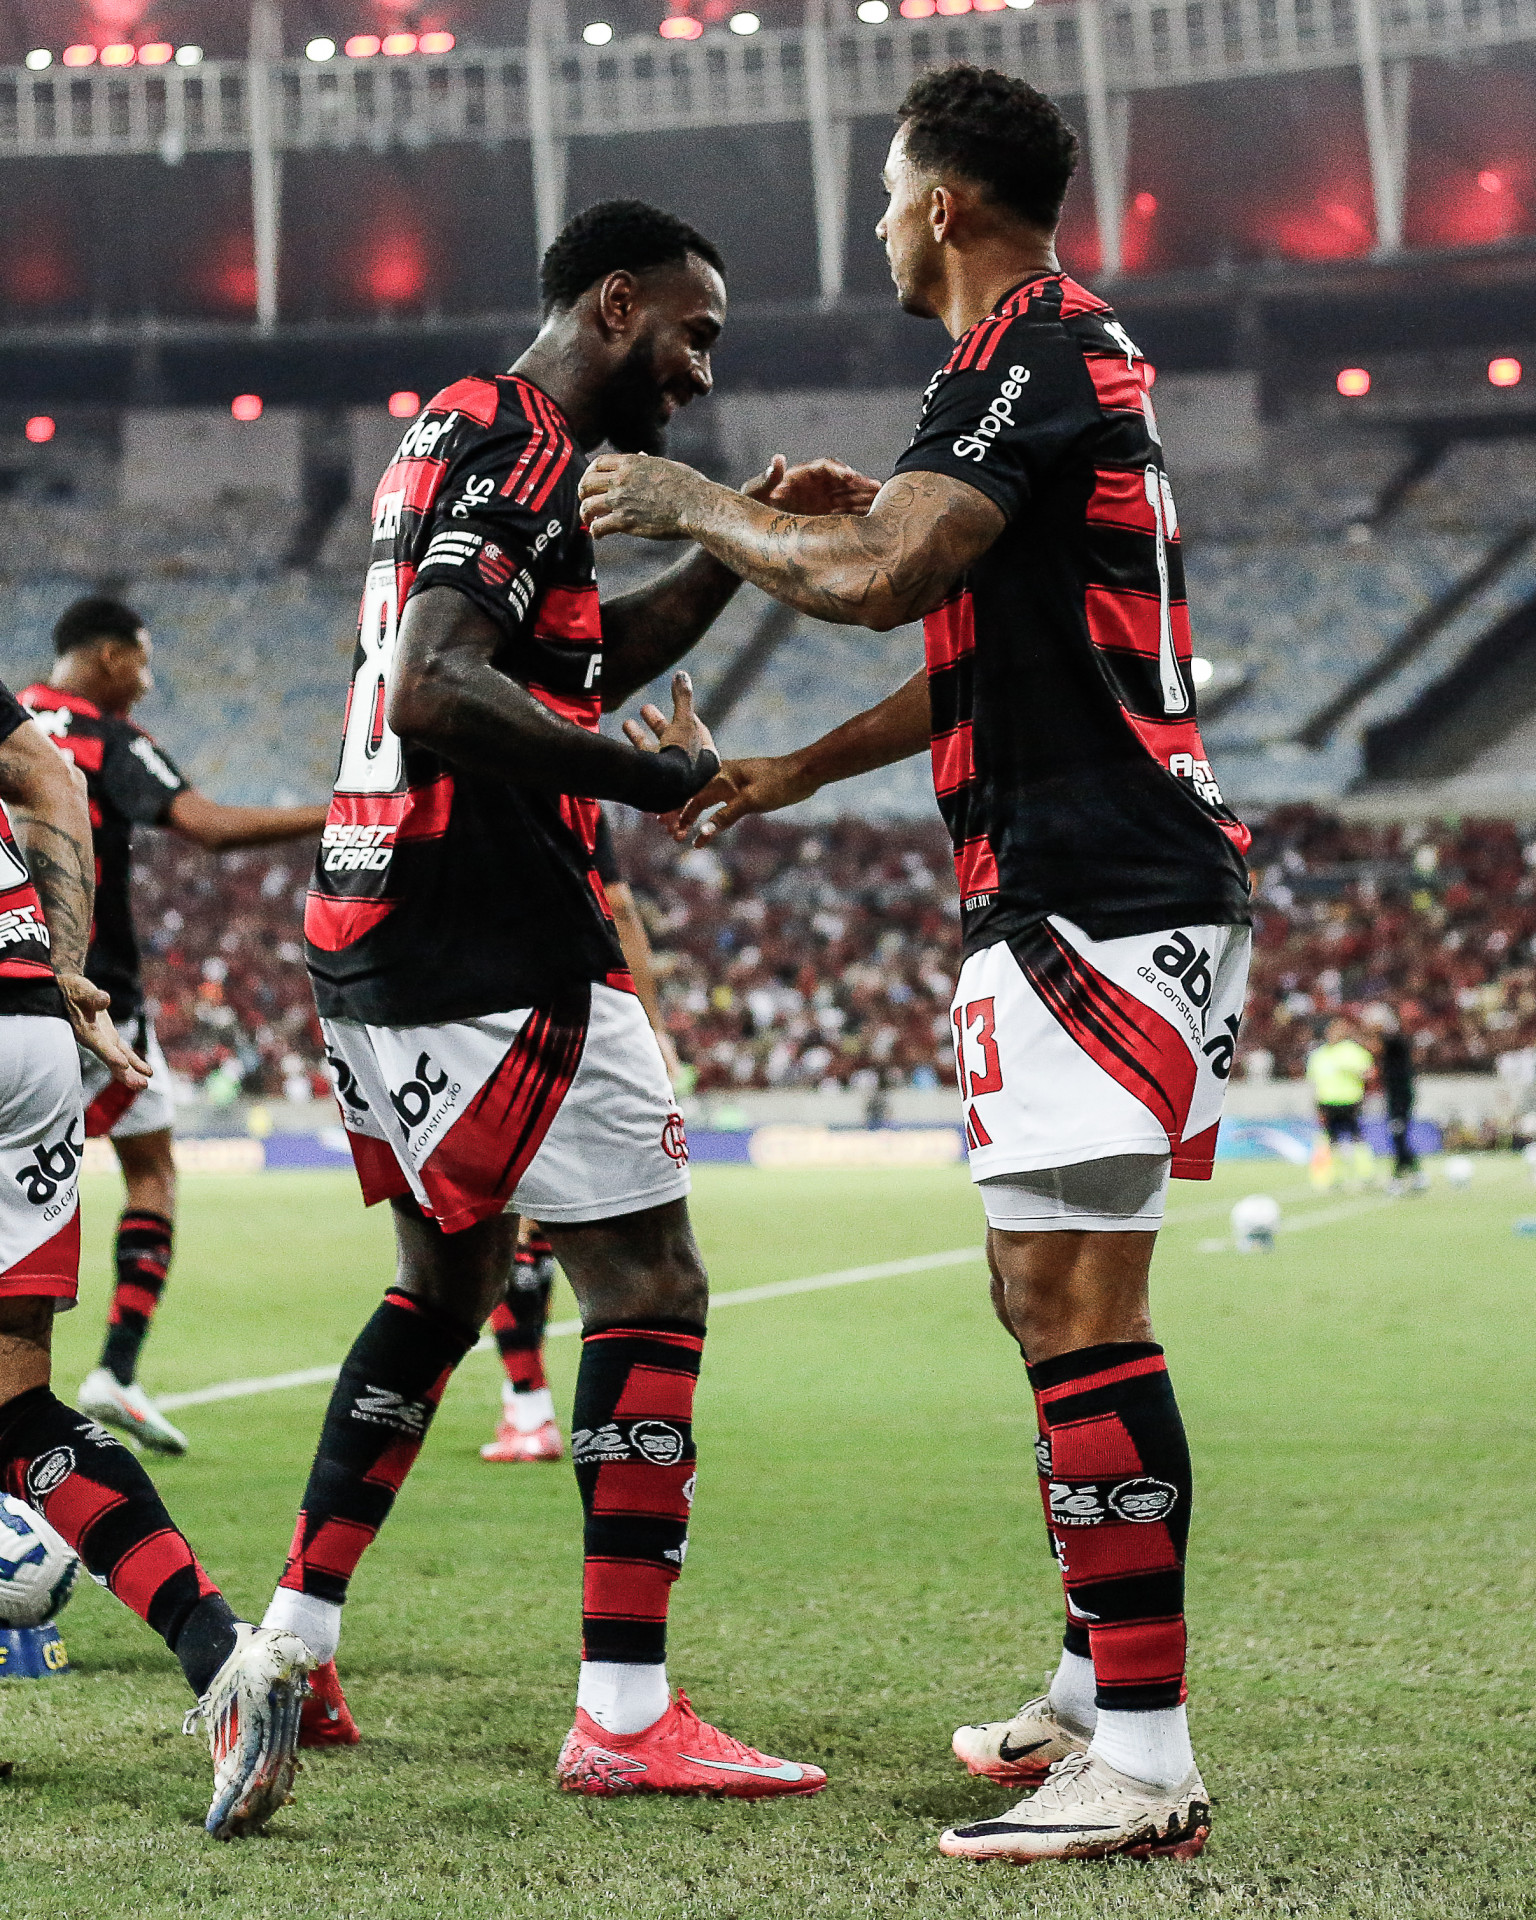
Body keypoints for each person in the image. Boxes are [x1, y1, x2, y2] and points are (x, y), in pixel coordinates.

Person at [578, 70, 1253, 1863]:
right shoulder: (1017, 367)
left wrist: (695, 502)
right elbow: (964, 628)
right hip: (1070, 884)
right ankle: (1097, 1686)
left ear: (944, 204)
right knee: (1037, 1301)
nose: (877, 224)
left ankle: (1150, 1758)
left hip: (1094, 887)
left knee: (1080, 1309)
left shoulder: (1031, 347)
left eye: (889, 195)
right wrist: (792, 770)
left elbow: (884, 575)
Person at [265, 199, 874, 1790]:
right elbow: (439, 688)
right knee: (650, 1286)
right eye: (694, 335)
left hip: (369, 923)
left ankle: (293, 1648)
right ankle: (621, 1717)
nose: (698, 374)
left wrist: (735, 537)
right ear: (618, 303)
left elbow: (566, 664)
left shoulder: (455, 437)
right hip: (496, 936)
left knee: (446, 1294)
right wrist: (646, 780)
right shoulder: (528, 454)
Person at [0, 678, 310, 1836]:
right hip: (31, 1021)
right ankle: (224, 1660)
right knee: (17, 1408)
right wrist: (68, 964)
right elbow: (50, 775)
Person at [19, 601, 327, 1455]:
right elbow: (209, 827)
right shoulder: (102, 737)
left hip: (11, 972)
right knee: (149, 1171)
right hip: (91, 994)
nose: (147, 682)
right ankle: (109, 1369)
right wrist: (341, 814)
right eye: (145, 663)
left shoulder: (13, 719)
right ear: (111, 655)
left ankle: (105, 1376)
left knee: (120, 1160)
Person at [481, 809, 681, 1466]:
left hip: (490, 1016)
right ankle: (632, 1417)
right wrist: (651, 1028)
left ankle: (529, 1409)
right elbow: (618, 906)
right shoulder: (566, 788)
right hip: (590, 1014)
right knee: (590, 1225)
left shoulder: (460, 778)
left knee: (511, 1219)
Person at [1304, 1017, 1376, 1190]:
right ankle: (1328, 1178)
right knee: (1328, 1141)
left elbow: (1370, 1072)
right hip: (1326, 1102)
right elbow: (1313, 1080)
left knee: (1357, 1138)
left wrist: (1354, 1072)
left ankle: (1365, 1175)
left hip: (1350, 1101)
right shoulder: (1319, 1054)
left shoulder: (1353, 1051)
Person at [1379, 1019, 1424, 1191]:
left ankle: (1399, 1177)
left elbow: (1390, 1041)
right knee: (1399, 1139)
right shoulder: (1398, 1058)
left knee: (1399, 1139)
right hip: (1398, 1100)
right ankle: (1415, 1175)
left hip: (1399, 1102)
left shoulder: (1397, 1050)